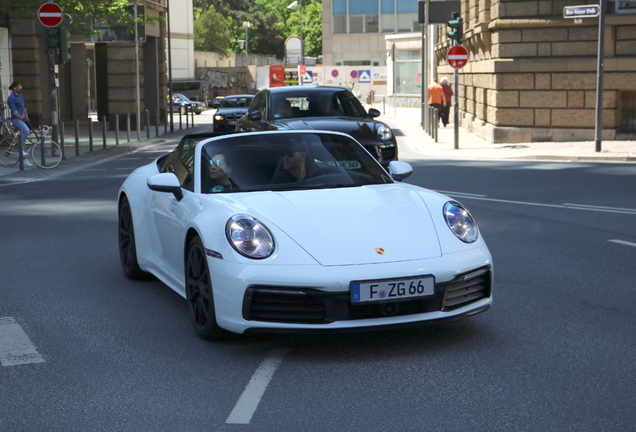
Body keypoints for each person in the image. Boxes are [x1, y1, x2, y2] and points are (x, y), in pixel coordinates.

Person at [7, 81, 32, 166]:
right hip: (16, 119)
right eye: (19, 86)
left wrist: (27, 120)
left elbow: (24, 109)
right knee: (26, 130)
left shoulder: (20, 96)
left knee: (23, 136)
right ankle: (21, 150)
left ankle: (24, 159)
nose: (20, 87)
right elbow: (14, 112)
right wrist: (22, 118)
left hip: (22, 118)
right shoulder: (11, 98)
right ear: (14, 88)